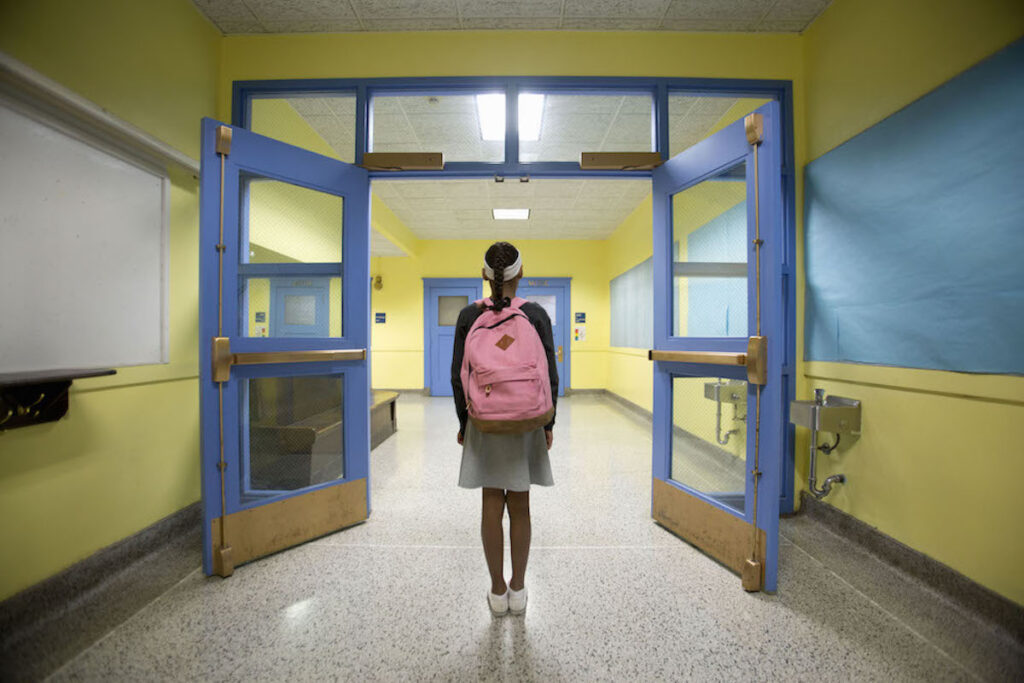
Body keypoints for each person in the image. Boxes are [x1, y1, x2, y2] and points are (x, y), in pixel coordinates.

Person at [451, 241, 558, 616]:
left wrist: (466, 425)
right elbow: (550, 374)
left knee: (491, 503)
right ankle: (519, 587)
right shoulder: (536, 314)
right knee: (522, 505)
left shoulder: (468, 316)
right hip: (527, 421)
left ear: (485, 275)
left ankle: (496, 592)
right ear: (521, 274)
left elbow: (457, 376)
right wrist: (548, 423)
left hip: (485, 422)